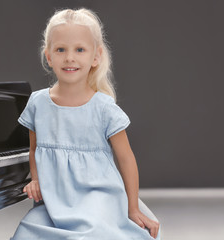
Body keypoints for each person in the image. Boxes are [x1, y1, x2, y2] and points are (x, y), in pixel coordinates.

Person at [11, 8, 161, 240]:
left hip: (98, 197)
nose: (70, 57)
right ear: (49, 56)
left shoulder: (103, 108)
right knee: (25, 235)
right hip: (55, 203)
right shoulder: (37, 103)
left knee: (87, 235)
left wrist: (132, 208)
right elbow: (34, 148)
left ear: (96, 57)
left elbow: (126, 159)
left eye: (79, 49)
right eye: (61, 49)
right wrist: (36, 179)